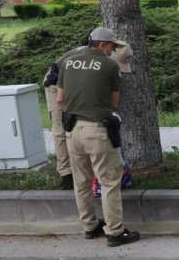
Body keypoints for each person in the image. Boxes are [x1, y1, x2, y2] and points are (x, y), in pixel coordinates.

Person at [56, 27, 140, 247]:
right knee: (109, 181)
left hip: (73, 131)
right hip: (98, 131)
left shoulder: (68, 62)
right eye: (111, 46)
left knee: (81, 182)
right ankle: (114, 232)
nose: (112, 51)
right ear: (103, 45)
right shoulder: (109, 66)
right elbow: (113, 104)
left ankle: (90, 226)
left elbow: (59, 99)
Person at [44, 43, 134, 190]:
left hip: (76, 84)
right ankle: (66, 174)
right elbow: (71, 91)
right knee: (62, 128)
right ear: (108, 50)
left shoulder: (107, 61)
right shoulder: (87, 59)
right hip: (55, 84)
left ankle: (91, 172)